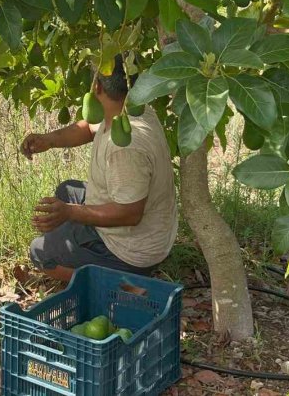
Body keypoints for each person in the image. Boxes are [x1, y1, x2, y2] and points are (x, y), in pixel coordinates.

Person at [21, 54, 178, 282]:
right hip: (150, 226)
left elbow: (130, 213)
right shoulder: (132, 108)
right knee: (67, 190)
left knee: (39, 253)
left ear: (96, 86)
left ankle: (118, 283)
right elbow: (89, 127)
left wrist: (70, 212)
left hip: (132, 251)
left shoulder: (125, 147)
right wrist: (49, 140)